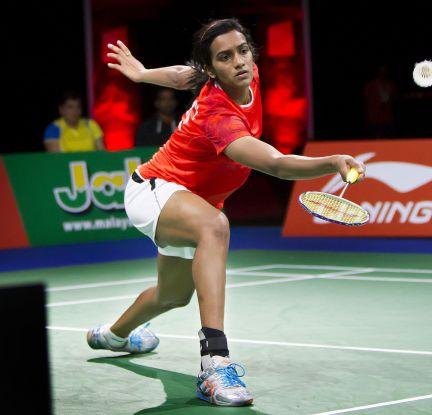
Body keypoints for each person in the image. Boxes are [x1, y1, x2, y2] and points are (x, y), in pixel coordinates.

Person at [86, 18, 366, 407]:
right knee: (215, 228)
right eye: (225, 57)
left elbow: (187, 75)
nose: (238, 62)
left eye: (243, 51)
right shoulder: (218, 115)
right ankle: (214, 361)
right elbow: (277, 164)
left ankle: (113, 336)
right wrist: (332, 161)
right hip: (155, 189)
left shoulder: (247, 77)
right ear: (213, 68)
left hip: (191, 200)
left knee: (172, 296)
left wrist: (145, 73)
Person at [363, 64, 398, 137]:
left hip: (388, 117)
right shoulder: (371, 85)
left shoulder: (391, 85)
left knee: (388, 137)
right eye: (381, 71)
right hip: (375, 117)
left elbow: (395, 98)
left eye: (384, 71)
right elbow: (366, 100)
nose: (383, 73)